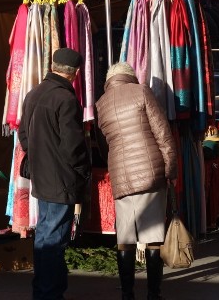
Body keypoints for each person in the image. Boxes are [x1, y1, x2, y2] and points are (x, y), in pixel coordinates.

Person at [95, 62, 177, 300]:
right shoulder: (141, 91)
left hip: (121, 175)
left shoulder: (101, 103)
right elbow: (162, 133)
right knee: (152, 236)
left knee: (126, 238)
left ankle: (127, 295)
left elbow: (103, 145)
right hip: (151, 172)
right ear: (130, 76)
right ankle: (153, 294)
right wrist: (170, 169)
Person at [19, 48, 91, 300]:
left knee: (45, 235)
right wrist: (83, 170)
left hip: (42, 177)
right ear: (76, 73)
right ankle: (48, 293)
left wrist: (38, 156)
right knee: (53, 238)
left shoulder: (33, 94)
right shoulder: (66, 99)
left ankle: (44, 290)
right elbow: (73, 146)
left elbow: (23, 137)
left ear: (53, 66)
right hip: (61, 180)